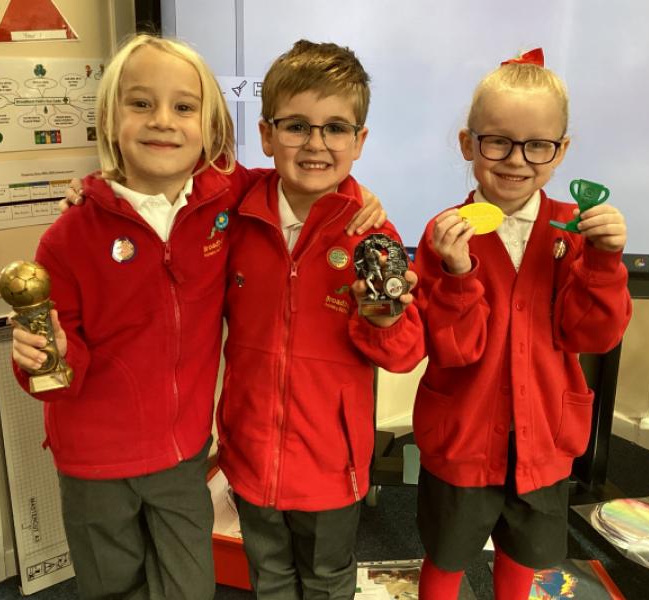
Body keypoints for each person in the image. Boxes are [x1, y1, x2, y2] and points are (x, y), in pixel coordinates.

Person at [9, 35, 387, 600]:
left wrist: (359, 197)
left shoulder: (225, 197)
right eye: (141, 103)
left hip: (183, 454)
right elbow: (54, 375)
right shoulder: (69, 236)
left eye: (184, 106)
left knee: (190, 587)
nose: (163, 120)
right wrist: (45, 356)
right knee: (111, 586)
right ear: (110, 119)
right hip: (93, 459)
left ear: (209, 128)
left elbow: (305, 179)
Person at [411, 48, 632, 600]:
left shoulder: (572, 231)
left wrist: (603, 261)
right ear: (468, 144)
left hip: (545, 438)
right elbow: (453, 348)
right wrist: (458, 274)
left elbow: (593, 335)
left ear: (561, 151)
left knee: (523, 555)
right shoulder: (446, 234)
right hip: (462, 436)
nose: (517, 160)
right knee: (446, 555)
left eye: (538, 145)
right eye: (497, 142)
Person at [216, 40, 424, 599]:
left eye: (335, 129)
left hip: (332, 465)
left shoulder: (372, 235)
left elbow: (403, 352)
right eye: (296, 127)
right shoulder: (238, 213)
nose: (315, 144)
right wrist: (96, 186)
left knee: (328, 580)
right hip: (250, 450)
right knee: (269, 576)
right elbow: (176, 178)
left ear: (359, 142)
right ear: (266, 135)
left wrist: (383, 318)